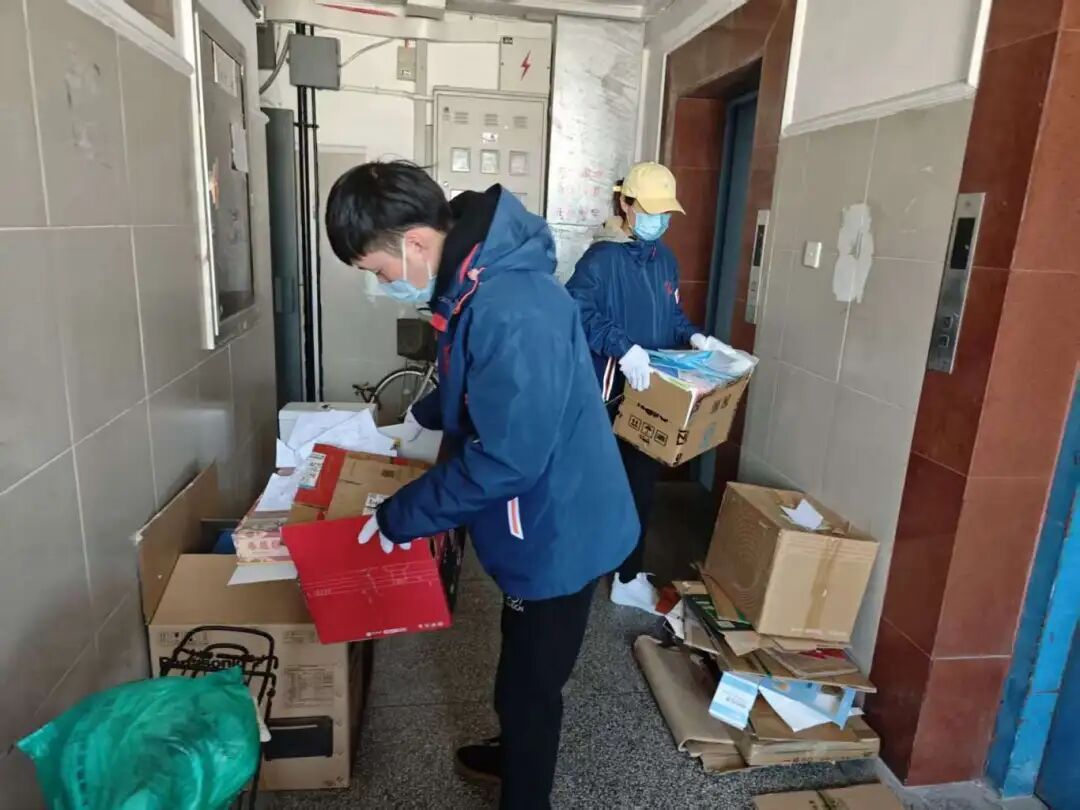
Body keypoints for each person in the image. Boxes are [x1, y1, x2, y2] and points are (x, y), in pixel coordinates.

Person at [324, 161, 638, 809]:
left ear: (414, 242)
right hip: (545, 510)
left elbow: (507, 460)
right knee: (520, 660)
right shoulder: (474, 281)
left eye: (377, 270)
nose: (382, 284)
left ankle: (525, 792)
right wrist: (426, 414)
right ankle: (511, 750)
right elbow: (485, 384)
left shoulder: (510, 306)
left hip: (559, 525)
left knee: (531, 686)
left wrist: (401, 515)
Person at [566, 161, 725, 615]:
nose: (659, 220)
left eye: (664, 212)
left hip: (653, 393)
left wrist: (696, 337)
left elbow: (671, 316)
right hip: (611, 393)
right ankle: (610, 574)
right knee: (611, 485)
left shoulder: (664, 260)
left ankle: (626, 574)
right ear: (626, 204)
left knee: (639, 485)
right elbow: (576, 309)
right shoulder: (601, 259)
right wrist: (624, 348)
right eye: (650, 210)